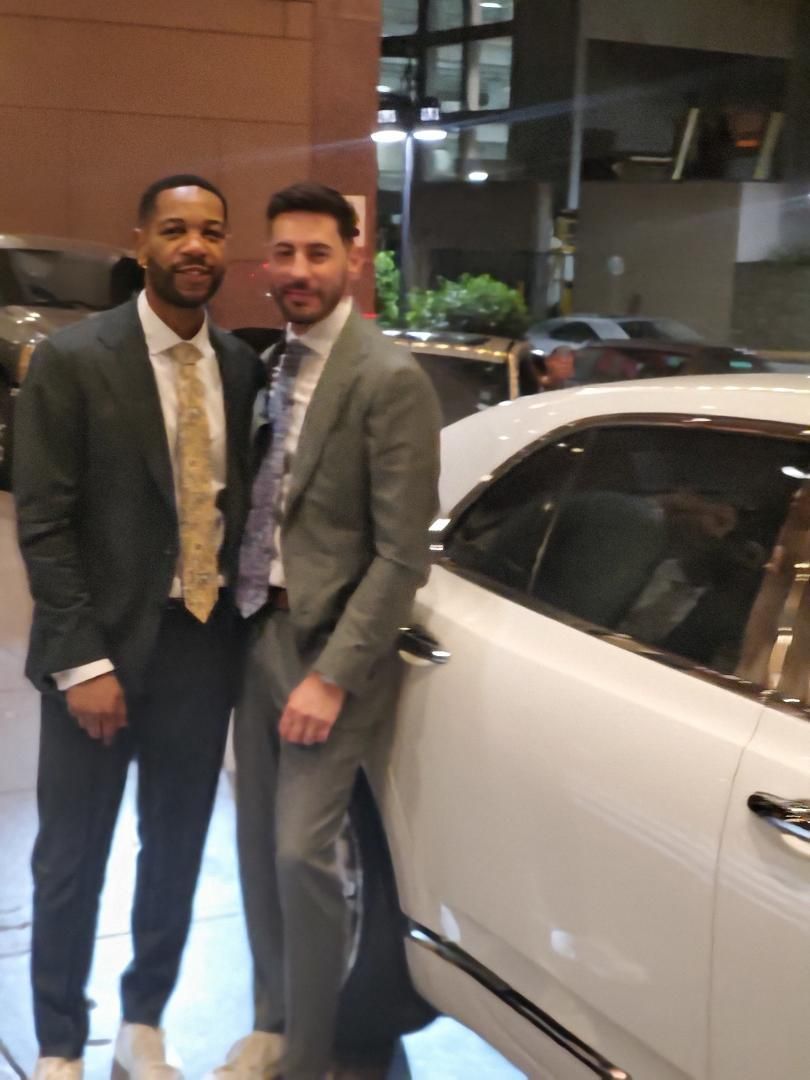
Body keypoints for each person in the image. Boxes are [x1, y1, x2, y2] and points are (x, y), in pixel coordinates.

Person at [14, 174, 262, 1080]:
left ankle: (143, 1022)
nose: (195, 246)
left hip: (202, 645)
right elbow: (44, 521)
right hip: (102, 649)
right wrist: (82, 662)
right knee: (69, 858)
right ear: (142, 242)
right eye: (176, 230)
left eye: (211, 231)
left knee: (177, 846)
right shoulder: (75, 359)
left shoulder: (240, 366)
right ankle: (58, 1043)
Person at [209, 183, 441, 1080]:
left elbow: (401, 556)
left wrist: (334, 673)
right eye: (284, 254)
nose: (299, 270)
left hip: (329, 652)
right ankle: (271, 1023)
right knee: (255, 847)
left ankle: (308, 1058)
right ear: (266, 265)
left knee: (302, 854)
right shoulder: (276, 364)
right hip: (257, 630)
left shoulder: (388, 379)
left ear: (353, 257)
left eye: (317, 253)